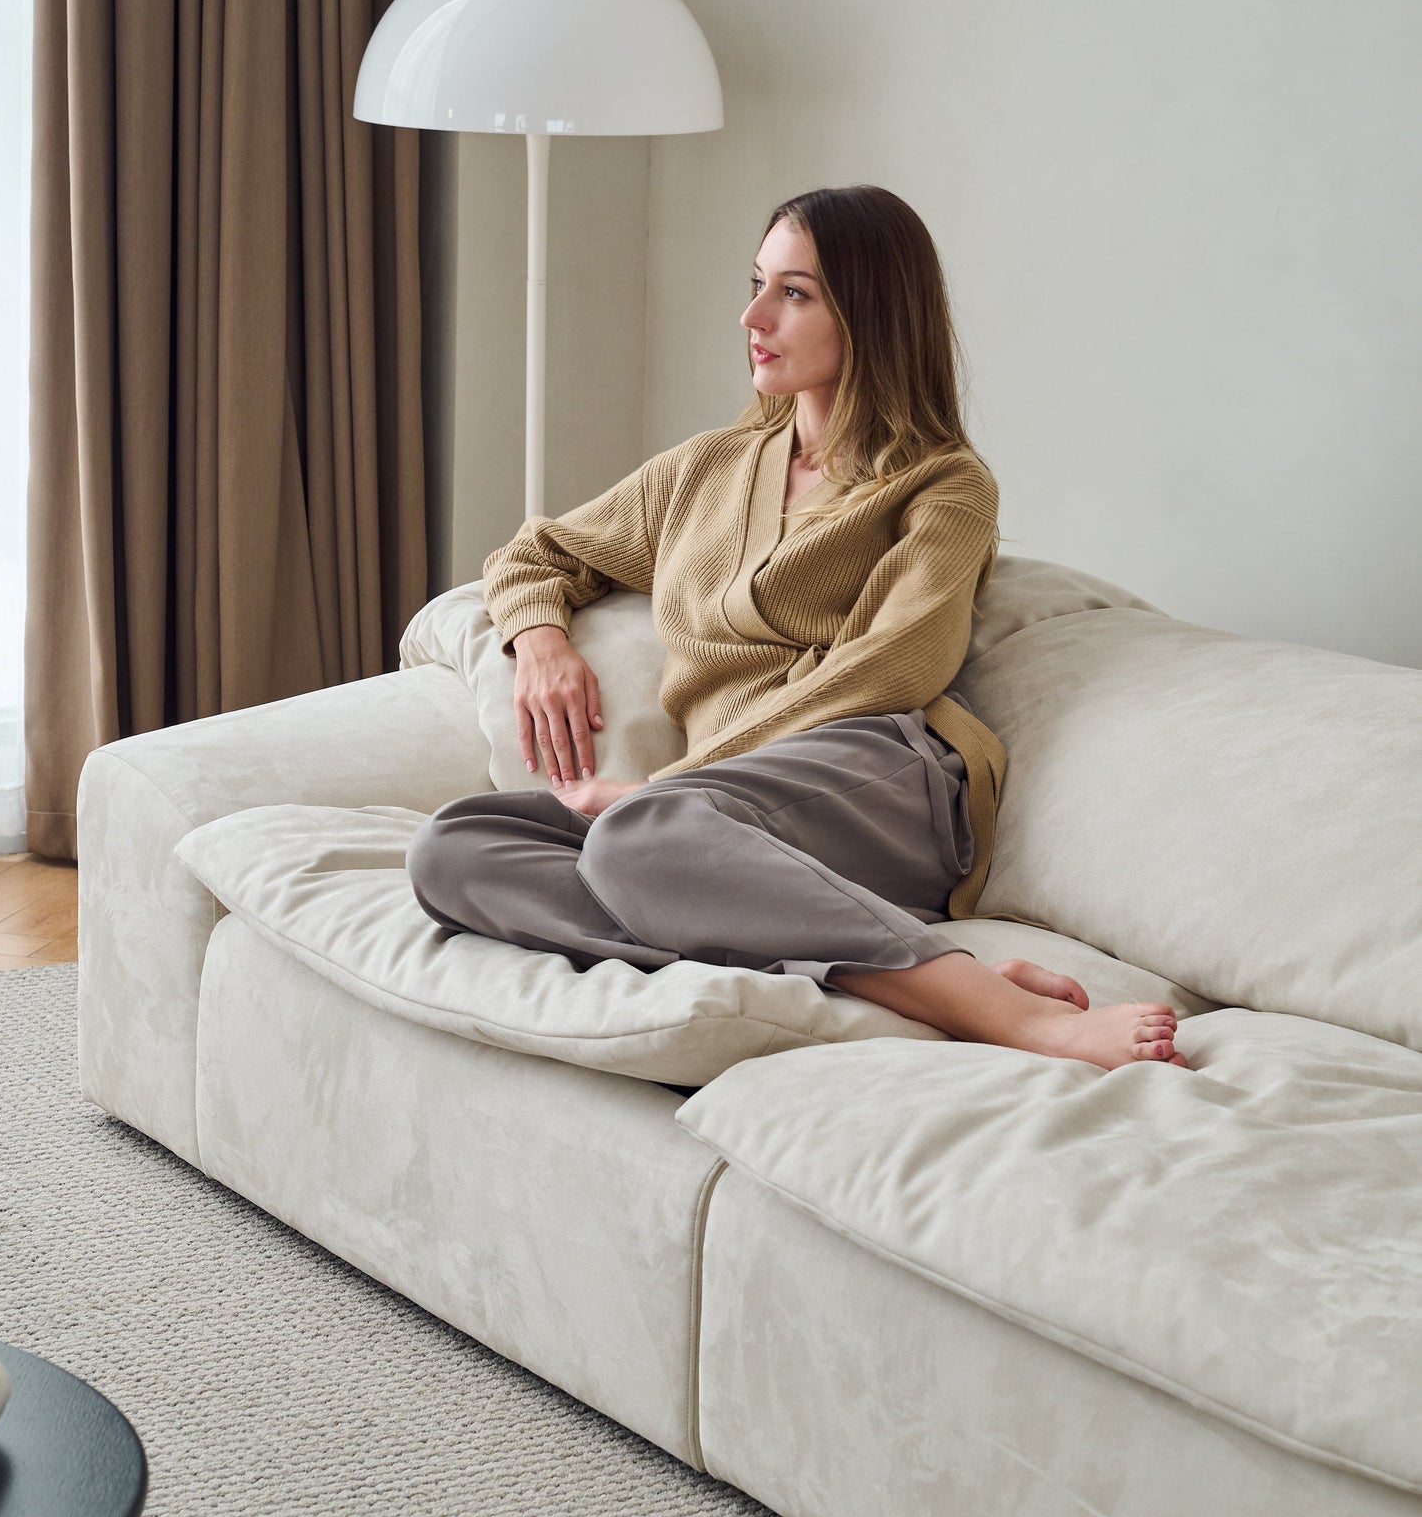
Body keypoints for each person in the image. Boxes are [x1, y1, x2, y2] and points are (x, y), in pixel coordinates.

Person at [406, 185, 1188, 1073]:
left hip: (875, 772)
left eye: (793, 293)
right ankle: (907, 968)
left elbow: (895, 663)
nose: (751, 315)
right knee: (456, 848)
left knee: (638, 839)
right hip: (707, 818)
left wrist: (671, 787)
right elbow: (536, 553)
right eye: (756, 282)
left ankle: (1016, 1019)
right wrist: (540, 644)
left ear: (870, 314)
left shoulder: (942, 486)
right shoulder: (706, 469)